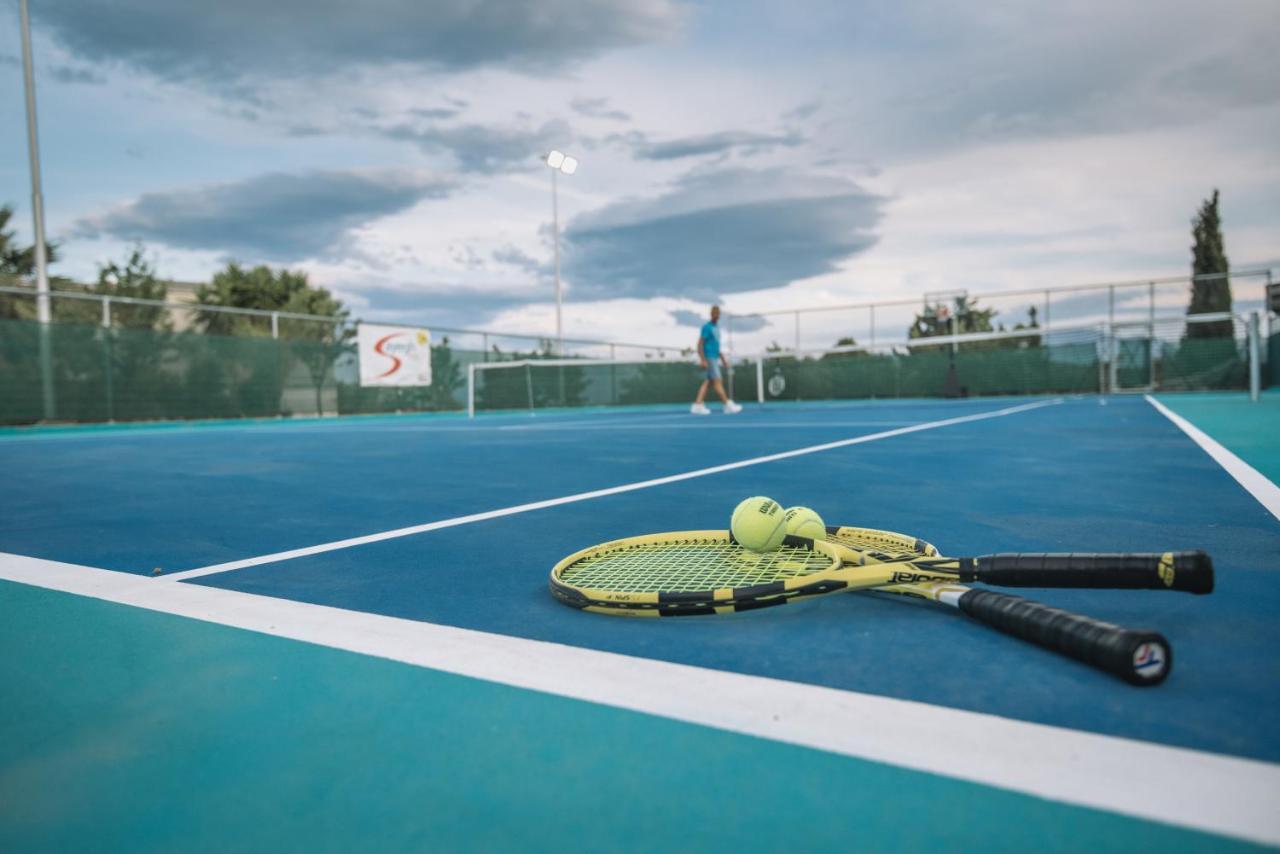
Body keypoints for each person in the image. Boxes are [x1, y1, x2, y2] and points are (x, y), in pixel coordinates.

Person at [691, 305, 742, 415]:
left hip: (715, 357)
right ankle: (727, 405)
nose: (716, 316)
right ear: (711, 314)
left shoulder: (717, 329)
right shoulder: (706, 327)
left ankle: (697, 405)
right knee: (717, 381)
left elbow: (717, 347)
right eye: (714, 314)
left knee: (709, 382)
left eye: (718, 314)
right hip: (709, 358)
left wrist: (723, 360)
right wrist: (703, 359)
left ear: (719, 315)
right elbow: (700, 344)